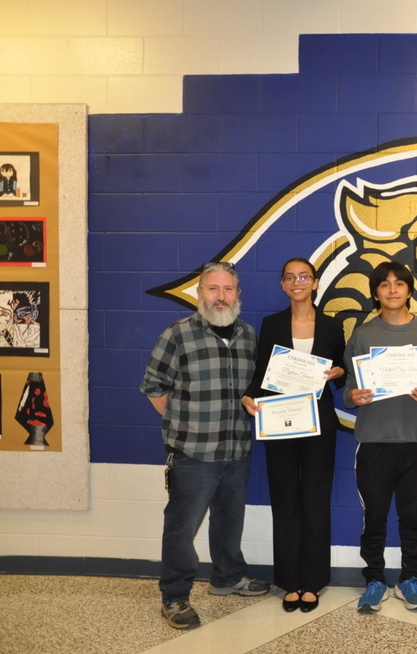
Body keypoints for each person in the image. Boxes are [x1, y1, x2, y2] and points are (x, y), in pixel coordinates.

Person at [139, 262, 270, 630]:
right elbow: (153, 386)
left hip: (237, 450)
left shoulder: (247, 335)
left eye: (228, 289)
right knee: (182, 527)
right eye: (212, 289)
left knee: (229, 521)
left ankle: (227, 577)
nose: (221, 297)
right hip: (194, 454)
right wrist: (185, 421)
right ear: (199, 294)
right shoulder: (178, 334)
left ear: (237, 295)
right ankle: (175, 596)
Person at [343, 260, 417, 613]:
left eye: (399, 283)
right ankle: (374, 578)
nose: (392, 289)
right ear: (375, 293)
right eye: (384, 284)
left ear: (409, 289)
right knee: (374, 515)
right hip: (374, 439)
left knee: (412, 515)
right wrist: (352, 396)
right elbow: (349, 385)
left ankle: (410, 578)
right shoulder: (363, 335)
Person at [242, 258, 346, 614]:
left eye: (304, 276)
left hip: (320, 426)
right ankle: (289, 581)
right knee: (285, 500)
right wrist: (247, 396)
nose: (297, 282)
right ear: (283, 285)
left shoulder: (332, 327)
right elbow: (261, 375)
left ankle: (313, 581)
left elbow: (343, 373)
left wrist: (339, 371)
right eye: (290, 277)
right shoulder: (271, 325)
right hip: (280, 422)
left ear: (315, 283)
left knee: (315, 502)